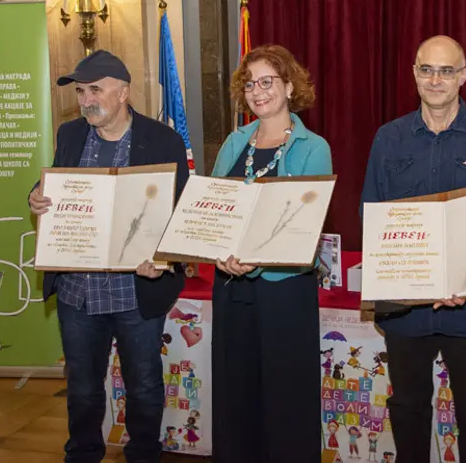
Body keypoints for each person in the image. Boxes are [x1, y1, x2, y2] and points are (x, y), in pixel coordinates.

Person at [360, 35, 466, 462]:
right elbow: (372, 214)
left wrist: (465, 281)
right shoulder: (389, 137)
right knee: (407, 409)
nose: (435, 80)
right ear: (414, 73)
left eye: (446, 71)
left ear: (463, 76)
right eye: (426, 69)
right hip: (406, 307)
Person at [28, 50, 189, 463]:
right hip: (77, 292)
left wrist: (163, 258)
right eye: (80, 92)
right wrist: (37, 197)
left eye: (95, 90)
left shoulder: (162, 140)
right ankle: (82, 455)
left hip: (136, 291)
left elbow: (179, 212)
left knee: (144, 386)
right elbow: (57, 183)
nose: (86, 100)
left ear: (123, 93)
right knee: (82, 388)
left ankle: (144, 455)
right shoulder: (70, 134)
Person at [210, 44, 332, 462]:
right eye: (249, 84)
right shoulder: (234, 142)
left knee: (286, 398)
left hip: (285, 292)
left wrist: (257, 260)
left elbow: (305, 227)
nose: (257, 91)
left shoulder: (314, 147)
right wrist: (217, 251)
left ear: (290, 86)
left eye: (267, 82)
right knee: (235, 395)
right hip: (231, 289)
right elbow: (214, 207)